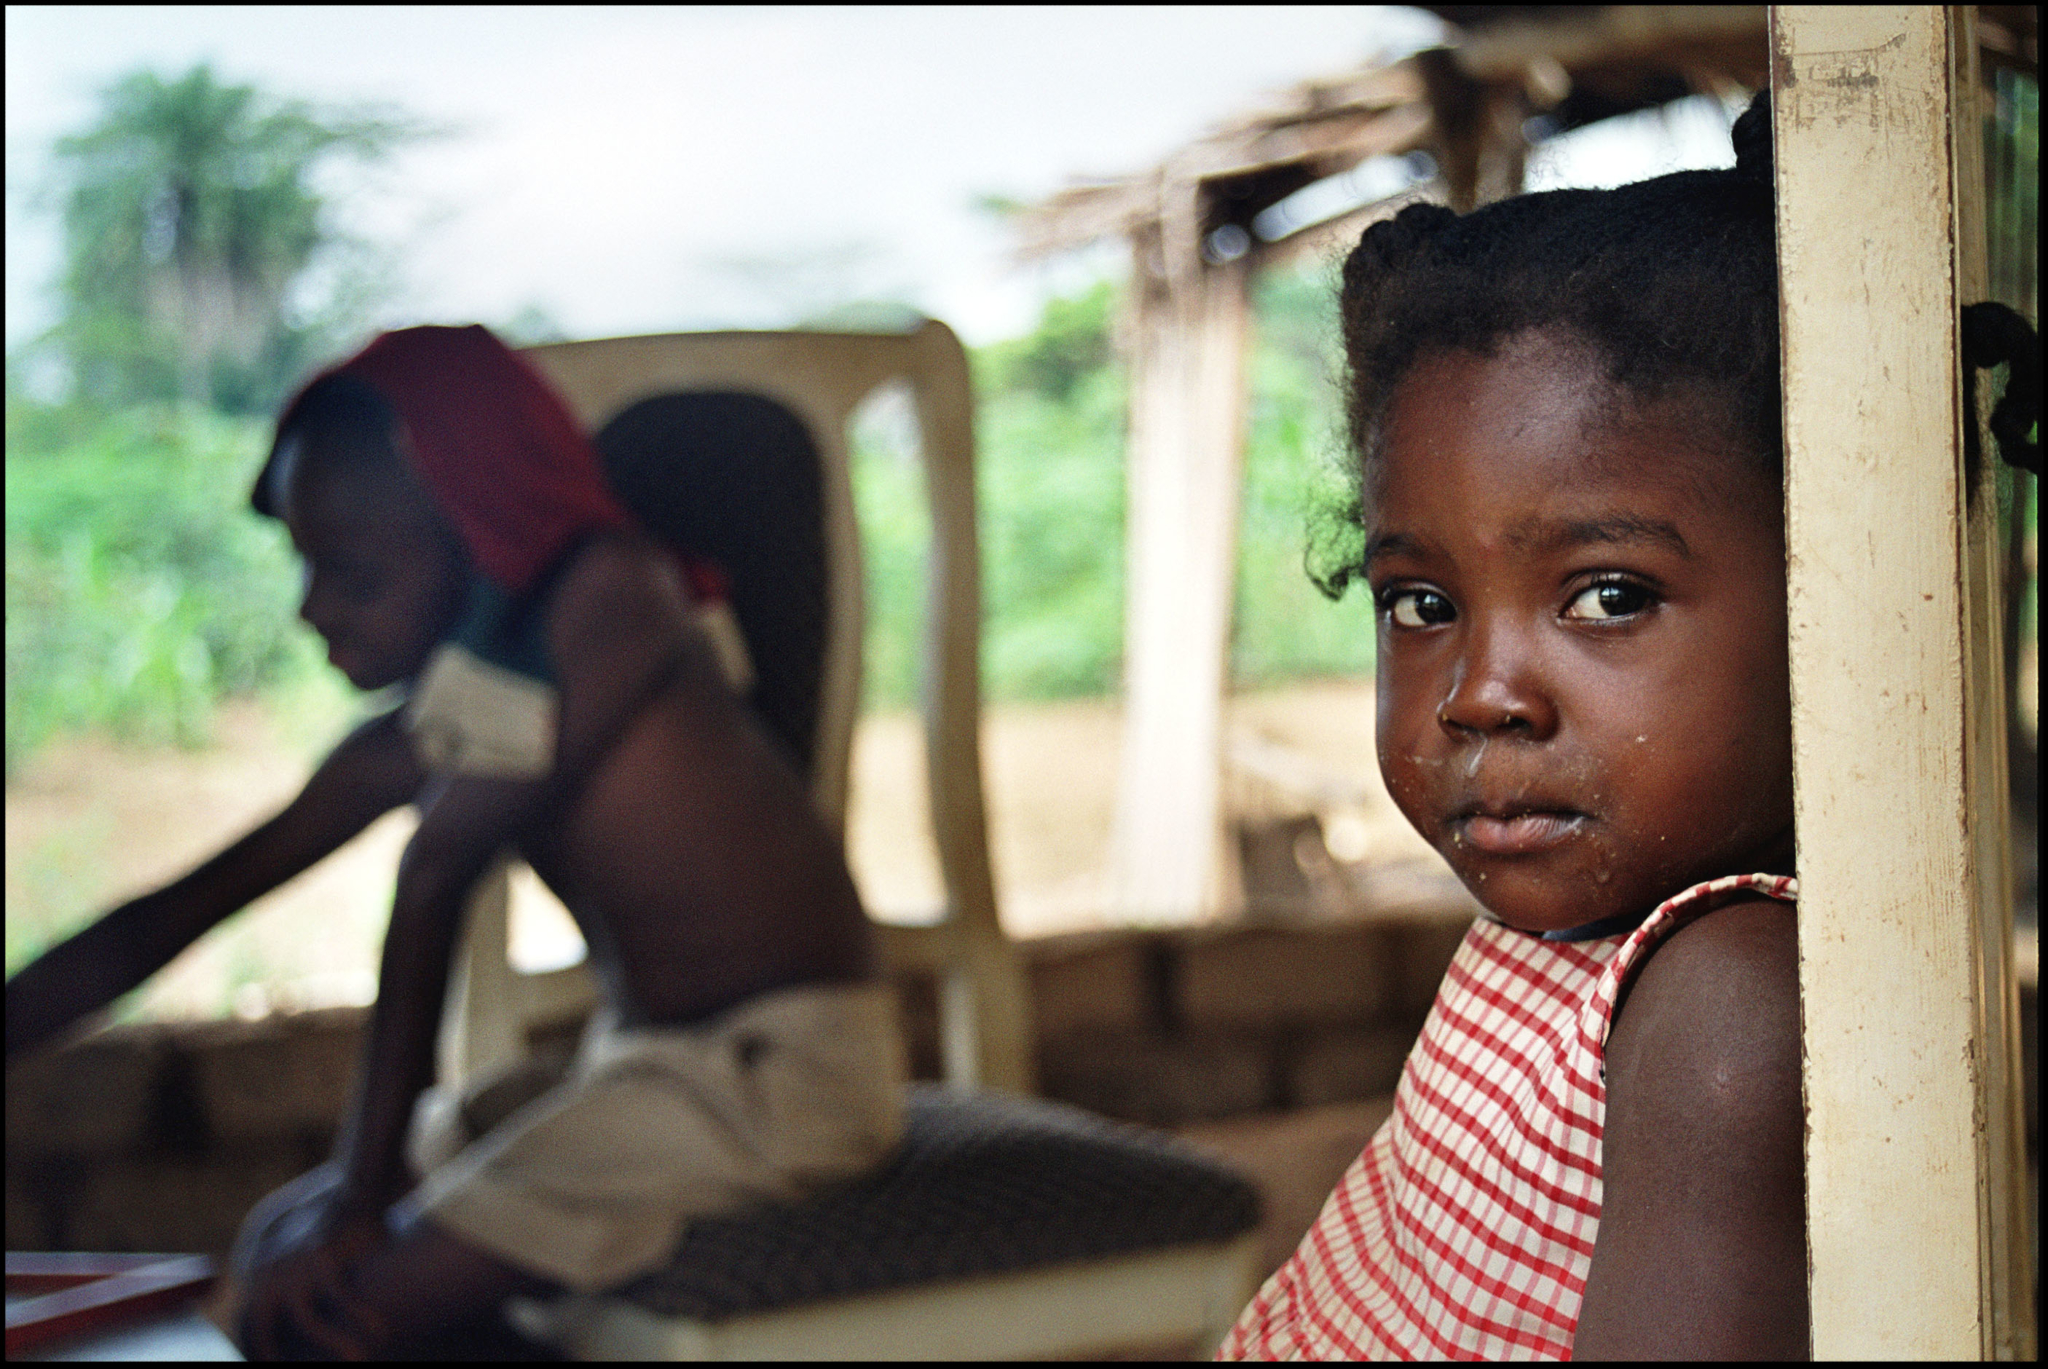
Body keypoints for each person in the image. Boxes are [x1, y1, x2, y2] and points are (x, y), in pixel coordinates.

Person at [5, 325, 903, 1358]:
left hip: (783, 1081)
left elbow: (436, 872)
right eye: (304, 565)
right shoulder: (453, 713)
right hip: (644, 1073)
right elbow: (186, 907)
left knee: (334, 1315)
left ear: (482, 534)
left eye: (352, 572)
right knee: (275, 1249)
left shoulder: (613, 596)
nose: (310, 608)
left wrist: (363, 1188)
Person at [1220, 92, 1807, 1360]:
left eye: (1607, 595)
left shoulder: (1728, 1000)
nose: (1480, 693)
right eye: (1421, 602)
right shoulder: (1591, 945)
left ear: (1829, 589)